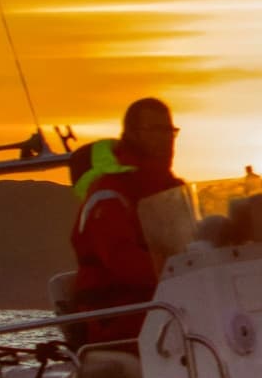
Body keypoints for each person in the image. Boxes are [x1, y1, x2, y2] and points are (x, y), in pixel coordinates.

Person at [65, 97, 182, 338]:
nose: (165, 137)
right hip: (120, 316)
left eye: (169, 130)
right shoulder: (109, 194)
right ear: (132, 134)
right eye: (154, 129)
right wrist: (179, 273)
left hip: (170, 308)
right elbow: (122, 261)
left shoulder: (175, 190)